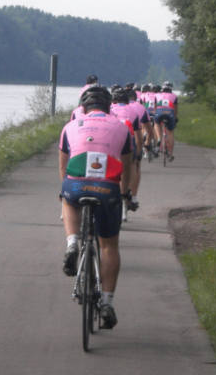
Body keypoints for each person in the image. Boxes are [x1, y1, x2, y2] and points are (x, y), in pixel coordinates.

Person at [59, 85, 133, 329]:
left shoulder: (70, 126)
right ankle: (107, 302)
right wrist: (124, 193)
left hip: (76, 185)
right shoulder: (121, 127)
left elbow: (63, 167)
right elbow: (127, 167)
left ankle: (72, 243)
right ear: (109, 107)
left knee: (66, 197)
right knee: (109, 246)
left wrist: (66, 190)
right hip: (107, 188)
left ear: (83, 107)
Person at [109, 86, 143, 213]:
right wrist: (138, 154)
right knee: (133, 167)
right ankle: (132, 197)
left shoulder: (109, 109)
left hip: (112, 142)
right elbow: (139, 137)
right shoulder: (133, 111)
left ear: (113, 101)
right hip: (129, 141)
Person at [154, 81, 179, 161]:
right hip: (170, 114)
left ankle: (159, 139)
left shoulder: (157, 95)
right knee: (170, 133)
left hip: (159, 113)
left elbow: (155, 108)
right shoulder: (174, 96)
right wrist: (175, 118)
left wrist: (155, 115)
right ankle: (170, 154)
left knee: (156, 124)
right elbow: (175, 109)